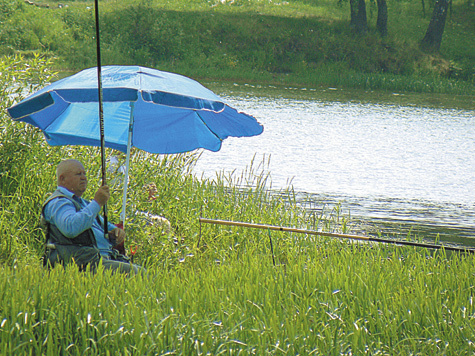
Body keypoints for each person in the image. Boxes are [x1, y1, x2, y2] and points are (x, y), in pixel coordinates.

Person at [42, 159, 142, 274]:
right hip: (81, 264)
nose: (84, 177)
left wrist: (116, 232)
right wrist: (97, 203)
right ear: (62, 179)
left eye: (84, 173)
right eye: (78, 174)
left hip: (100, 259)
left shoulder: (84, 203)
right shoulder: (59, 202)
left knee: (145, 273)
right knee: (134, 272)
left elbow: (107, 227)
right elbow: (70, 227)